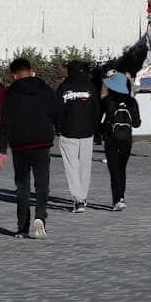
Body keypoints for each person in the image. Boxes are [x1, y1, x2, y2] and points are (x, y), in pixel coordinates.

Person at [0, 56, 60, 239]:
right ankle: (40, 217)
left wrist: (2, 149)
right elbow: (56, 111)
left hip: (20, 145)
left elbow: (5, 122)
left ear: (14, 75)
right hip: (42, 142)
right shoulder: (44, 88)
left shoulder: (11, 92)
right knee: (42, 184)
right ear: (30, 70)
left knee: (22, 186)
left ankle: (23, 226)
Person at [55, 61, 99, 213]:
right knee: (85, 165)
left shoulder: (63, 88)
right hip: (87, 132)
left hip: (68, 132)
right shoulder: (90, 87)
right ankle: (83, 196)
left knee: (71, 166)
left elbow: (57, 110)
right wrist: (96, 129)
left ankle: (78, 200)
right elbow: (96, 109)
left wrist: (58, 128)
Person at [100, 70, 141, 211]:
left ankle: (116, 199)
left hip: (110, 138)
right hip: (126, 139)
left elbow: (99, 121)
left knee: (113, 170)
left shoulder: (107, 101)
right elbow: (136, 123)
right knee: (122, 169)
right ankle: (121, 197)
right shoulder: (132, 102)